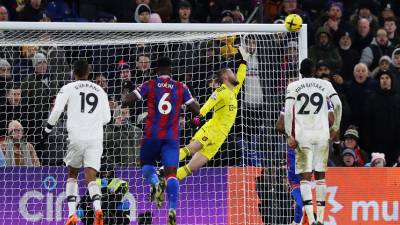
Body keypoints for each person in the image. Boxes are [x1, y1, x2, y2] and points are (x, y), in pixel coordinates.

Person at [123, 56, 200, 225]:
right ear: (171, 70)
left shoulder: (149, 84)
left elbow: (127, 100)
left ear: (156, 70)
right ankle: (172, 209)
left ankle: (156, 183)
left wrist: (129, 91)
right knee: (172, 175)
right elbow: (196, 109)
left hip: (152, 135)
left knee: (146, 165)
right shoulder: (181, 87)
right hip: (171, 138)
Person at [43, 59, 111, 225]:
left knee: (72, 174)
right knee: (91, 178)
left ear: (73, 73)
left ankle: (72, 214)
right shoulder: (100, 90)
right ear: (89, 72)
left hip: (76, 137)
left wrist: (47, 131)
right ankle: (98, 209)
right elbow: (107, 119)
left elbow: (57, 110)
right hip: (95, 138)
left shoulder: (68, 88)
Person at [176, 44, 249, 179]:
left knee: (191, 168)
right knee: (190, 149)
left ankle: (164, 183)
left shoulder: (234, 92)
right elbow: (208, 104)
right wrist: (199, 116)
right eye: (231, 72)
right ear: (226, 77)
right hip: (212, 129)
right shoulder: (220, 91)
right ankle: (164, 168)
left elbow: (241, 76)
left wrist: (244, 61)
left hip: (220, 137)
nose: (234, 74)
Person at [284, 58, 342, 225]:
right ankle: (320, 218)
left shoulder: (294, 88)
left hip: (302, 139)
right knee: (320, 179)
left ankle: (311, 216)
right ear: (315, 70)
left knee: (303, 180)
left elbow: (286, 115)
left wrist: (290, 134)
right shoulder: (324, 86)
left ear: (300, 72)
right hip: (321, 137)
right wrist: (335, 128)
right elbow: (336, 107)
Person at [364, 71, 400, 166]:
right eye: (382, 78)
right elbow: (368, 121)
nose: (384, 80)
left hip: (395, 143)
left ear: (392, 80)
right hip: (377, 143)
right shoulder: (372, 99)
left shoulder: (397, 98)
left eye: (387, 78)